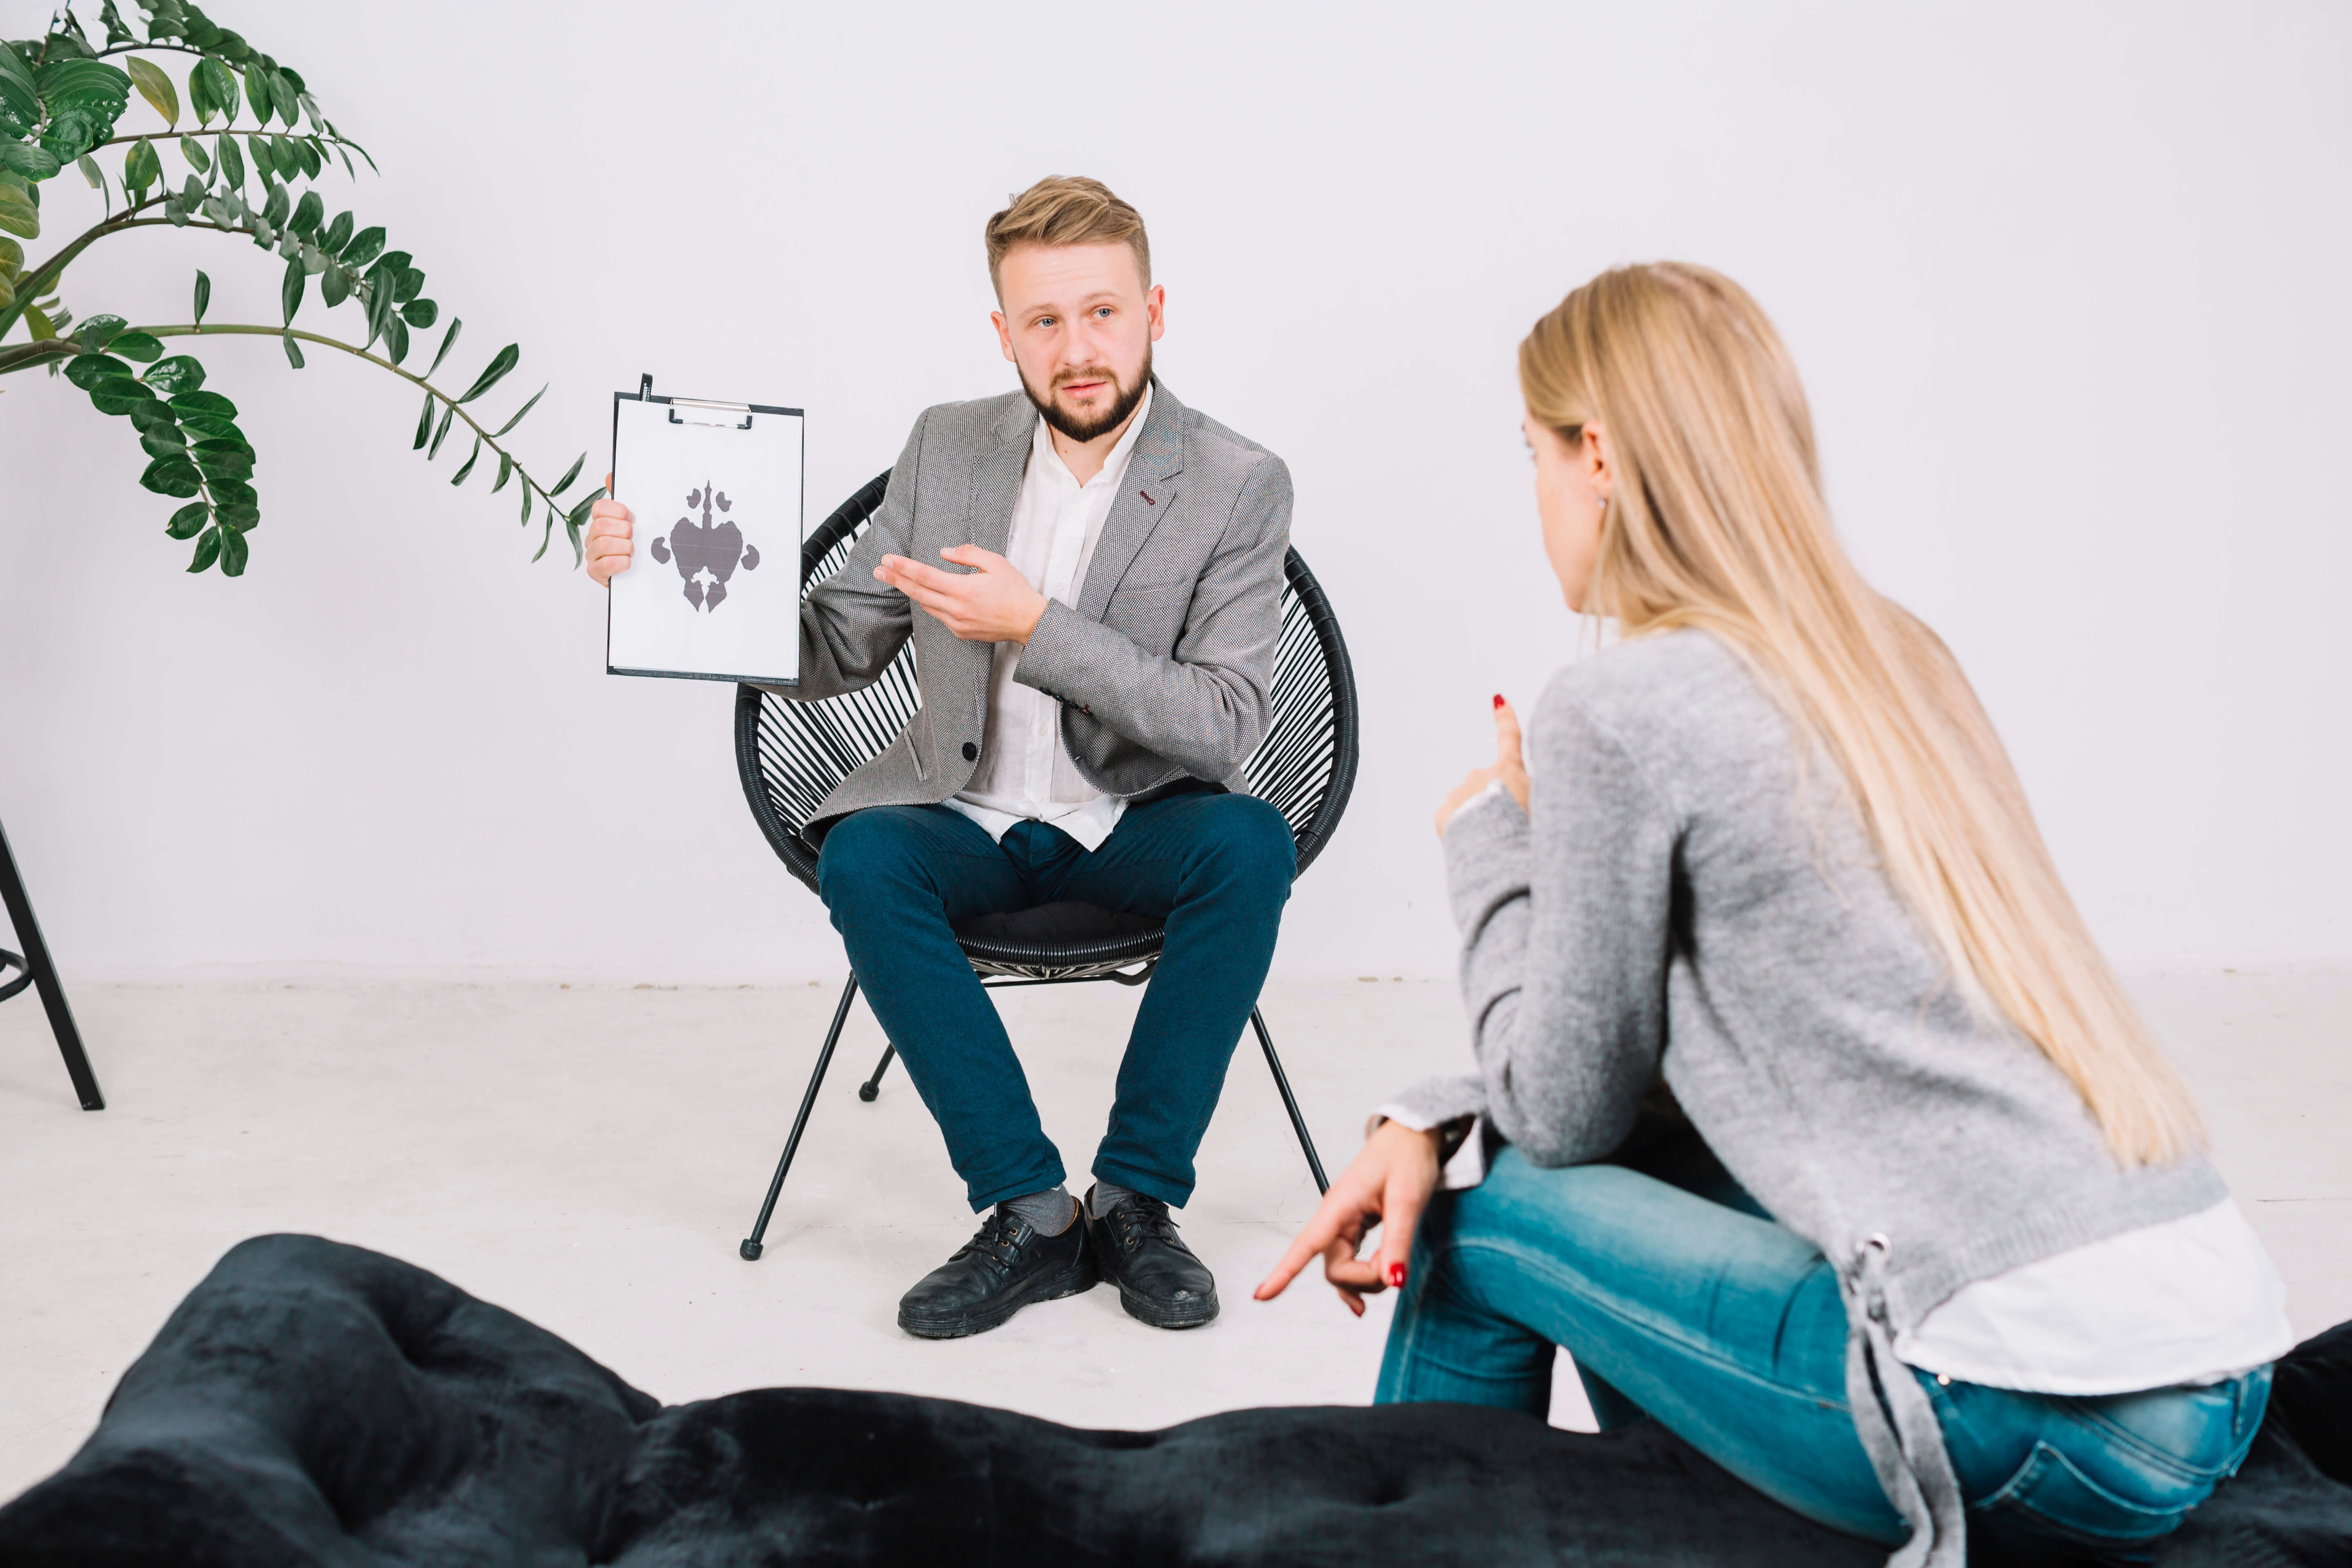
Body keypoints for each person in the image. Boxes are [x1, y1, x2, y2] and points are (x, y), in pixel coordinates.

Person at [1256, 263, 2290, 1565]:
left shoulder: (1625, 710)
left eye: (1533, 455)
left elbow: (1559, 1116)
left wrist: (1490, 840)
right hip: (2213, 1366)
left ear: (1602, 459)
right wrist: (1425, 1110)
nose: (1533, 497)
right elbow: (1669, 1066)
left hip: (2020, 1420)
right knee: (1528, 1165)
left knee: (1475, 1220)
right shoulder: (1893, 657)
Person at [588, 177, 1298, 1340]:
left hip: (1134, 824)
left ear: (1156, 309)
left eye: (1104, 312)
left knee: (1250, 845)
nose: (1078, 348)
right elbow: (840, 639)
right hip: (963, 815)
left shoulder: (1235, 480)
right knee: (864, 860)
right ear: (1004, 332)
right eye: (1045, 321)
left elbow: (1225, 723)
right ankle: (1032, 1213)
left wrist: (1037, 627)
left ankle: (1135, 1200)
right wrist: (667, 576)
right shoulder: (949, 445)